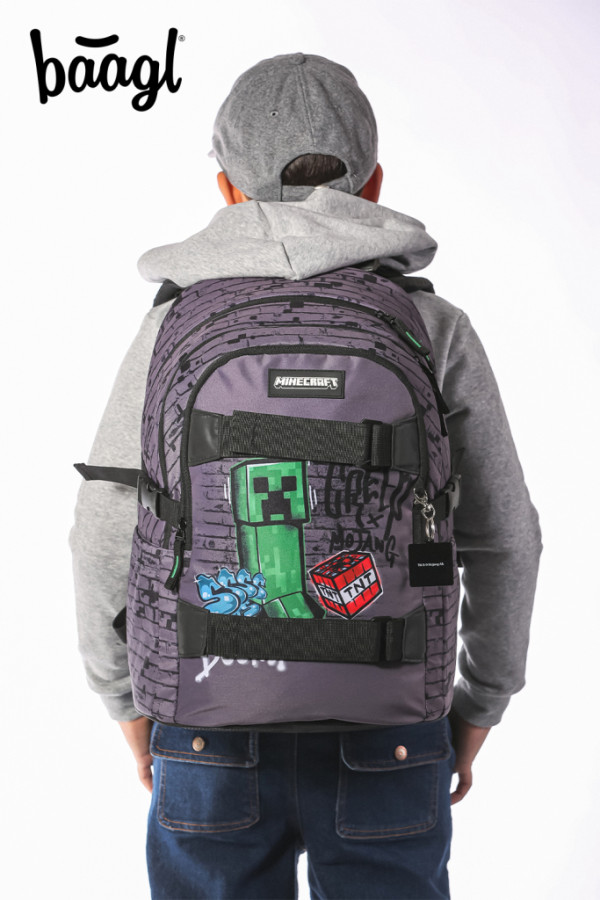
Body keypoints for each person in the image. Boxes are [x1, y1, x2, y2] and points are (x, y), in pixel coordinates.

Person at [71, 53, 542, 900]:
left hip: (205, 721)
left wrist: (128, 702)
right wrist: (480, 702)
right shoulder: (432, 324)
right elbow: (506, 536)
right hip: (392, 724)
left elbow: (103, 525)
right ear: (373, 183)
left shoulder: (172, 324)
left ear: (226, 189)